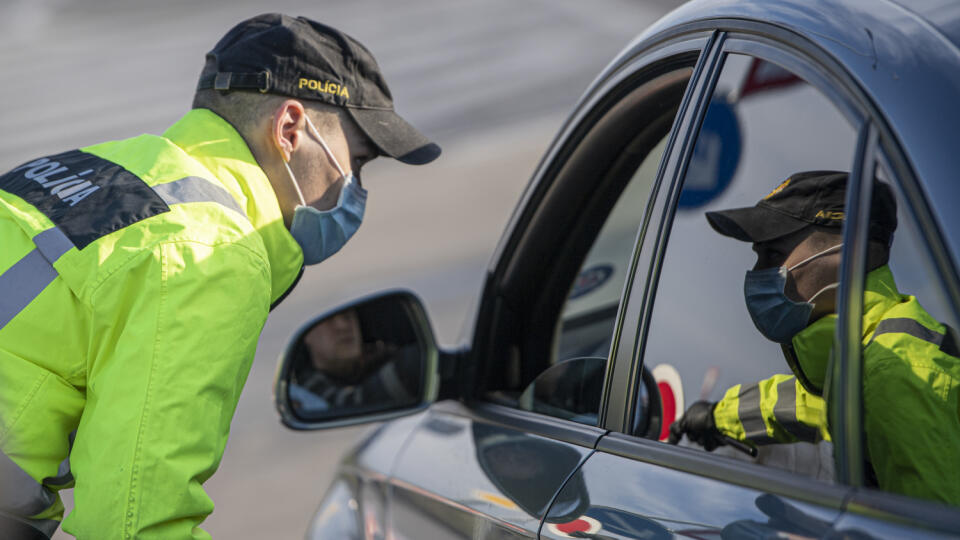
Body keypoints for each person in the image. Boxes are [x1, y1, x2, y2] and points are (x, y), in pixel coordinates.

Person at [0, 13, 440, 539]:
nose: (355, 189)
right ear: (290, 128)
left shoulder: (82, 168)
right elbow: (136, 521)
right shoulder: (212, 254)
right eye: (358, 161)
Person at [667, 171, 960, 505]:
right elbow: (812, 404)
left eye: (773, 255)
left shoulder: (896, 377)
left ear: (849, 254)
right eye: (758, 255)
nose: (758, 272)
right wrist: (718, 416)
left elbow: (930, 528)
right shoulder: (866, 354)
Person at [289, 308, 420, 414]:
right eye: (328, 320)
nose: (343, 326)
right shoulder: (305, 391)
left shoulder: (386, 355)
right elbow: (346, 405)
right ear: (306, 335)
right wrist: (410, 365)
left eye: (347, 316)